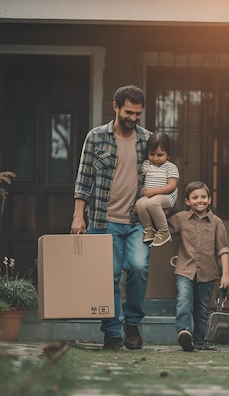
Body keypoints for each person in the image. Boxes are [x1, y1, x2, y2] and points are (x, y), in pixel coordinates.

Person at [71, 85, 151, 351]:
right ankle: (112, 333)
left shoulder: (147, 140)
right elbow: (84, 179)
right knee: (109, 275)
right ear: (116, 107)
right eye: (129, 112)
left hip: (137, 221)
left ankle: (132, 323)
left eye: (138, 113)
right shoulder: (95, 138)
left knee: (138, 268)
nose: (133, 118)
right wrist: (78, 216)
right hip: (103, 220)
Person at [168, 181, 229, 351]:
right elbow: (164, 229)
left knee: (202, 309)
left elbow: (223, 250)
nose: (200, 200)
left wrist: (225, 274)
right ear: (188, 201)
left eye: (203, 197)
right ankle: (184, 332)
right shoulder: (180, 219)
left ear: (209, 199)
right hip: (184, 270)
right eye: (195, 197)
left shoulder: (217, 222)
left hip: (208, 273)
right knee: (184, 300)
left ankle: (199, 342)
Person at [136, 131, 179, 247]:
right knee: (140, 204)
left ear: (168, 154)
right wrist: (142, 190)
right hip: (150, 195)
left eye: (160, 155)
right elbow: (140, 179)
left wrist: (154, 192)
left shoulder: (171, 167)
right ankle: (149, 229)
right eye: (152, 154)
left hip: (166, 196)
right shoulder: (146, 165)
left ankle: (164, 231)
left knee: (152, 203)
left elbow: (172, 186)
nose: (155, 158)